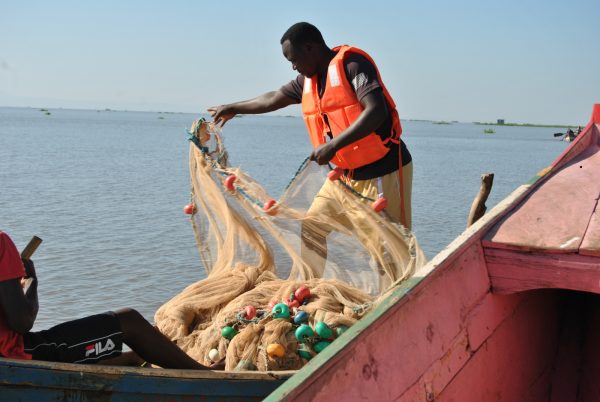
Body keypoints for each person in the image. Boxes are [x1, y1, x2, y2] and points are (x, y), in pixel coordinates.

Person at [208, 22, 413, 276]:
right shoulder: (307, 81)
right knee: (312, 229)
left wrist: (334, 145)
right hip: (344, 177)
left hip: (383, 171)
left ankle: (399, 302)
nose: (293, 66)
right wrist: (234, 107)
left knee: (389, 249)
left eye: (294, 60)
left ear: (310, 47)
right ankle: (311, 289)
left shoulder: (353, 65)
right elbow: (273, 98)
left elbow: (376, 111)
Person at [0, 231, 210, 369]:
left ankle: (132, 359)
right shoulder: (1, 243)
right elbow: (22, 322)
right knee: (130, 321)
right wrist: (31, 281)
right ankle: (205, 375)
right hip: (17, 355)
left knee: (85, 343)